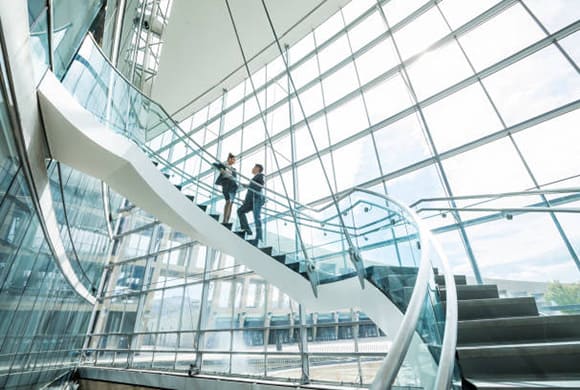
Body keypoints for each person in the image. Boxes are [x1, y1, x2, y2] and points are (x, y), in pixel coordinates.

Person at [237, 164, 265, 243]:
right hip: (250, 201)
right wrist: (247, 186)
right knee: (240, 211)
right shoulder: (254, 178)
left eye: (254, 167)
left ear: (258, 168)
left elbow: (259, 186)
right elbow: (252, 188)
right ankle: (247, 229)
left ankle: (258, 238)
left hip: (257, 199)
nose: (252, 168)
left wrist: (249, 186)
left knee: (257, 218)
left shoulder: (260, 175)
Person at [213, 153, 238, 224]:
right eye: (233, 159)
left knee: (231, 203)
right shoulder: (224, 165)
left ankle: (227, 220)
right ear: (229, 159)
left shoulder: (234, 169)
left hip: (233, 185)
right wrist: (221, 169)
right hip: (226, 183)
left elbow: (235, 178)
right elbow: (214, 164)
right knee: (228, 201)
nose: (234, 161)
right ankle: (224, 220)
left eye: (234, 160)